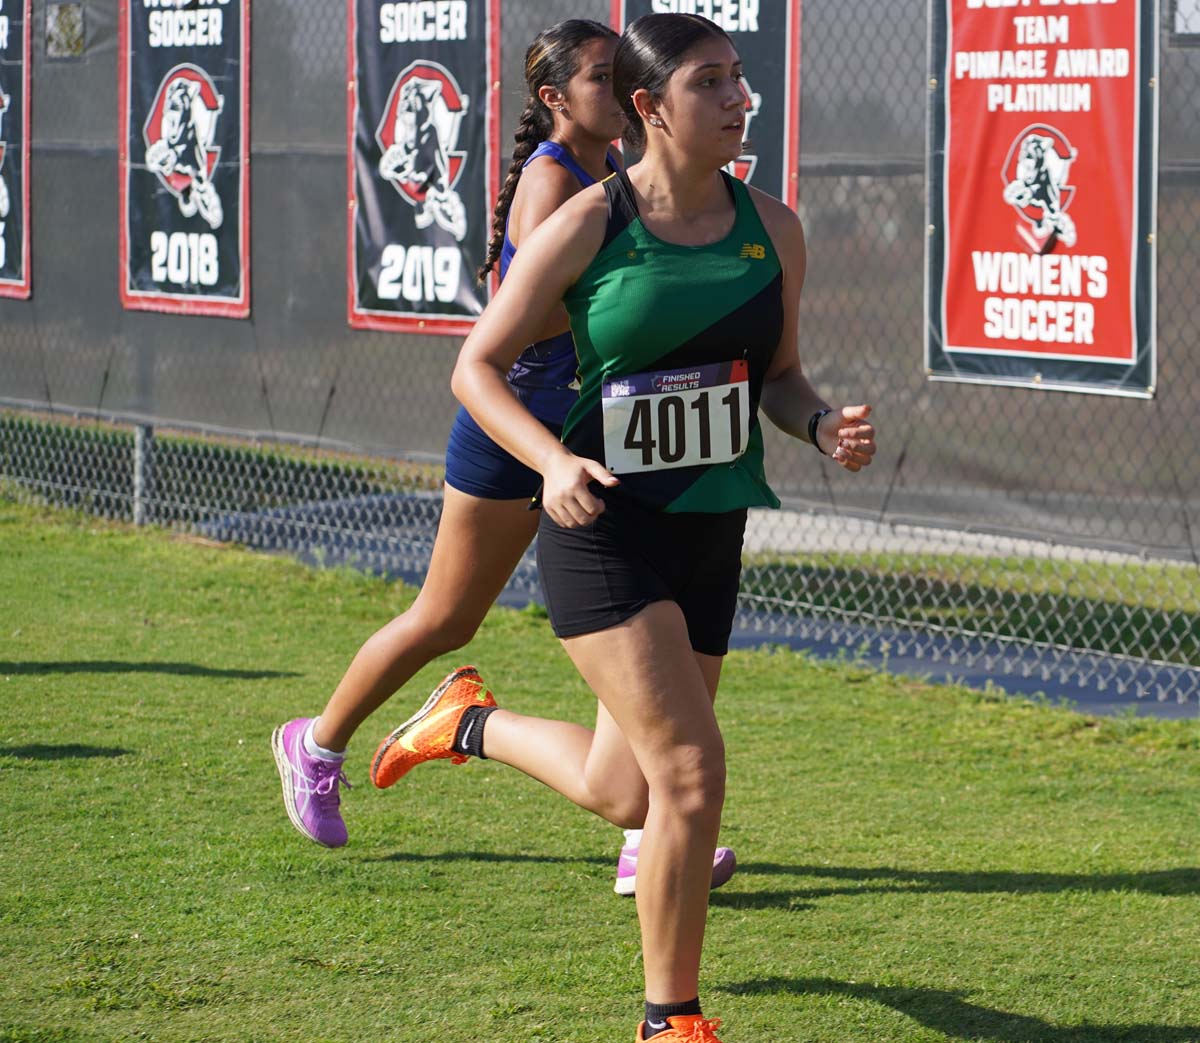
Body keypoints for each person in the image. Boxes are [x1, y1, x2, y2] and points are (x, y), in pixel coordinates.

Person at [367, 13, 877, 1042]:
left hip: (708, 526)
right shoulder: (586, 223)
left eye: (741, 80)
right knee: (692, 773)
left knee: (626, 788)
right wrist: (552, 459)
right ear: (650, 108)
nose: (740, 100)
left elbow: (775, 375)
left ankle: (464, 721)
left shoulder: (774, 227)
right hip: (600, 521)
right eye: (713, 84)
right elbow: (476, 365)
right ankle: (669, 1017)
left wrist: (819, 422)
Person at [270, 18, 736, 896]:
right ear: (557, 99)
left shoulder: (625, 175)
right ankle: (318, 741)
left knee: (650, 616)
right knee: (446, 617)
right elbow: (540, 321)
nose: (619, 90)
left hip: (604, 433)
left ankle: (651, 828)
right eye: (601, 79)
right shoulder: (552, 184)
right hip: (520, 426)